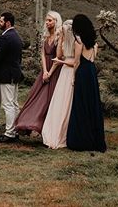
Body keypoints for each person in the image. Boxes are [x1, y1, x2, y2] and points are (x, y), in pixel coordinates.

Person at [59, 14, 106, 152]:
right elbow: (92, 59)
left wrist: (73, 77)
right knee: (92, 104)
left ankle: (80, 139)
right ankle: (94, 139)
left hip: (83, 73)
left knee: (80, 104)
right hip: (92, 73)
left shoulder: (78, 41)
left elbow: (77, 62)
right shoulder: (94, 43)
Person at [14, 11, 63, 135]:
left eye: (50, 20)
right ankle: (28, 124)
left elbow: (58, 58)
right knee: (35, 97)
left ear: (56, 22)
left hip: (55, 70)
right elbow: (42, 54)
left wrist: (50, 73)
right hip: (45, 69)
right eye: (46, 20)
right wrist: (45, 71)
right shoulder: (45, 36)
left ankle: (47, 129)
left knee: (48, 99)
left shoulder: (59, 37)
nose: (47, 22)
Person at [0, 12, 24, 143]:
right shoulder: (17, 37)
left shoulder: (5, 38)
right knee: (14, 104)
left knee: (8, 105)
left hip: (6, 75)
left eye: (1, 21)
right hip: (15, 74)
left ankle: (9, 133)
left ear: (8, 23)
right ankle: (15, 130)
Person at [41, 19, 76, 149]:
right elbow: (59, 55)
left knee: (68, 101)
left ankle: (64, 132)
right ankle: (54, 132)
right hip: (64, 73)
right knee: (59, 101)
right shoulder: (64, 42)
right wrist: (61, 38)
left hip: (71, 71)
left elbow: (76, 62)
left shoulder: (77, 43)